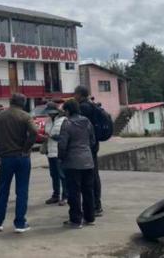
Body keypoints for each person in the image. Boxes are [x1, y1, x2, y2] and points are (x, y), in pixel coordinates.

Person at [0, 93, 37, 233]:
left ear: (10, 101)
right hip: (22, 158)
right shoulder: (25, 116)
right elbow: (34, 131)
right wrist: (26, 148)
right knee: (22, 191)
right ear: (24, 103)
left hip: (6, 158)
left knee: (3, 190)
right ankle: (20, 223)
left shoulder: (0, 117)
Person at [58, 99, 96, 228]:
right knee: (88, 190)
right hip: (88, 161)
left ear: (68, 110)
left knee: (74, 192)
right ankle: (90, 217)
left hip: (72, 162)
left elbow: (62, 144)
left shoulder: (67, 123)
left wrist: (61, 158)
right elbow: (92, 140)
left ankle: (76, 220)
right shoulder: (87, 122)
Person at [74, 85, 103, 217]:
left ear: (80, 94)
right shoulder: (91, 105)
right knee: (94, 175)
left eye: (75, 94)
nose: (74, 96)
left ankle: (94, 206)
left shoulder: (83, 108)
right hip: (93, 144)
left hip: (87, 146)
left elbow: (80, 128)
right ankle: (96, 205)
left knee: (90, 177)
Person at [43, 102, 67, 206]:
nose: (50, 114)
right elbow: (47, 132)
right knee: (54, 175)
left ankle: (65, 196)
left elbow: (65, 136)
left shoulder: (63, 120)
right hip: (50, 151)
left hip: (59, 152)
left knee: (62, 175)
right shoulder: (48, 121)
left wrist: (53, 137)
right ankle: (55, 195)